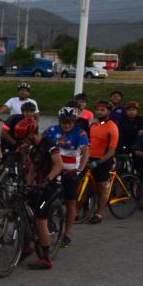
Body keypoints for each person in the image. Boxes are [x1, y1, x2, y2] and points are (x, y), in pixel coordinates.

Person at [13, 117, 63, 270]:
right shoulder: (34, 150)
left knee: (40, 217)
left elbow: (59, 165)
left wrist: (48, 180)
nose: (23, 141)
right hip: (39, 186)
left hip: (52, 186)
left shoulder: (48, 144)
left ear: (31, 134)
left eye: (24, 138)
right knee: (19, 204)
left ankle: (46, 259)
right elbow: (33, 170)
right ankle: (27, 245)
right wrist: (27, 187)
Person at [43, 106, 90, 247]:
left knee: (71, 203)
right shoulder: (51, 131)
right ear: (59, 120)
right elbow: (40, 143)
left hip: (71, 172)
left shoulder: (80, 133)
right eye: (64, 122)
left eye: (70, 122)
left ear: (74, 121)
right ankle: (47, 227)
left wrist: (79, 170)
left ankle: (67, 234)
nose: (67, 125)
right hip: (55, 170)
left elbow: (86, 153)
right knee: (48, 200)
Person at [85, 100, 119, 224]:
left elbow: (111, 151)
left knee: (102, 187)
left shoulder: (112, 127)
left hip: (103, 160)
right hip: (90, 158)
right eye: (98, 110)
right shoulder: (94, 125)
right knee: (85, 184)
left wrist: (98, 162)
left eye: (102, 110)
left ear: (108, 111)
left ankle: (99, 214)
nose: (99, 112)